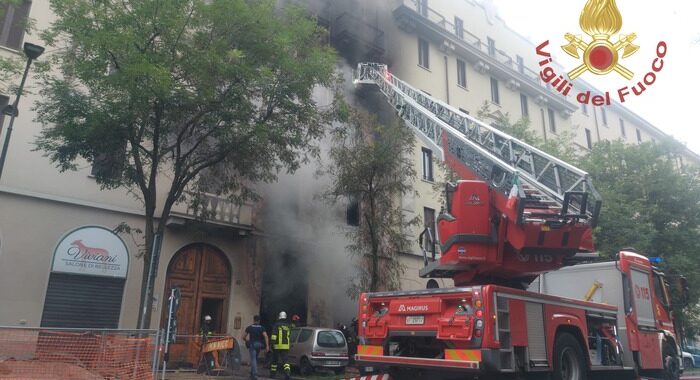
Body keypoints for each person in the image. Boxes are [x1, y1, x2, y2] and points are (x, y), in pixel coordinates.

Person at [244, 315, 269, 380]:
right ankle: (252, 373)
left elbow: (243, 336)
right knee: (255, 359)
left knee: (253, 360)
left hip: (252, 345)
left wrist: (246, 340)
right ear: (259, 320)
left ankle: (254, 375)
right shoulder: (261, 328)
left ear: (253, 320)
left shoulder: (249, 327)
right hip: (259, 345)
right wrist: (267, 346)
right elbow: (266, 336)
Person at [269, 311, 291, 380]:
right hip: (286, 346)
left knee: (274, 361)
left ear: (279, 317)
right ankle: (287, 373)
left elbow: (274, 336)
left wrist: (272, 344)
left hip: (277, 346)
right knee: (286, 362)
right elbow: (289, 335)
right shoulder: (288, 326)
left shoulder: (277, 325)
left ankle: (273, 374)